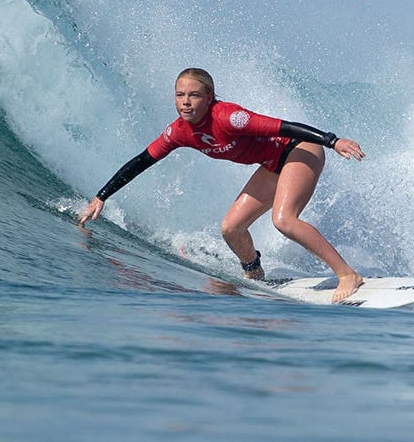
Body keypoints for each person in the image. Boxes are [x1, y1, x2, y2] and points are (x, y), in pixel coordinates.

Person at [77, 68, 367, 302]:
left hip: (299, 149)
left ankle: (347, 274)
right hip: (272, 165)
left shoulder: (229, 117)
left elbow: (283, 126)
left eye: (194, 95)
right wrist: (102, 196)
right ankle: (255, 273)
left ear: (210, 97)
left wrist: (332, 141)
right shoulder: (179, 132)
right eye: (180, 95)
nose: (185, 102)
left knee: (284, 220)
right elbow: (142, 160)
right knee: (231, 228)